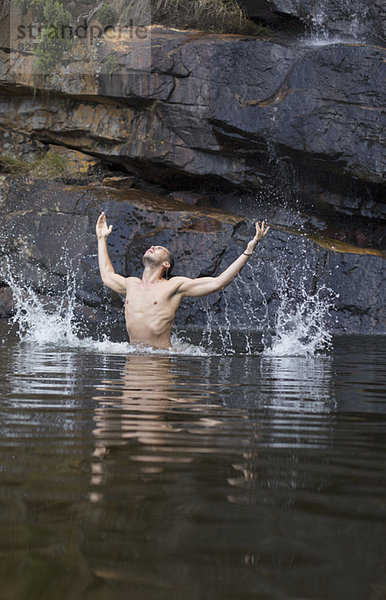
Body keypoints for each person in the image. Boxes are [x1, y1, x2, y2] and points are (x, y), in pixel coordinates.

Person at [96, 212, 270, 349]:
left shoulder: (174, 285)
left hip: (160, 360)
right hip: (132, 356)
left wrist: (248, 250)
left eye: (159, 248)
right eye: (152, 247)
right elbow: (107, 276)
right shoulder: (131, 284)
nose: (153, 247)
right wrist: (102, 239)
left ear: (166, 264)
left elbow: (218, 283)